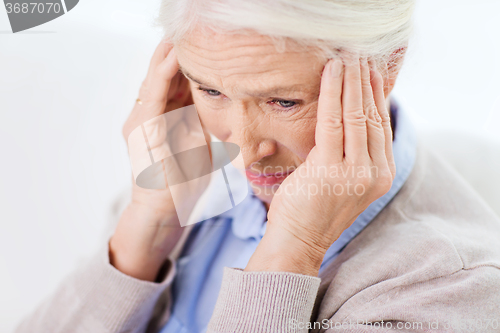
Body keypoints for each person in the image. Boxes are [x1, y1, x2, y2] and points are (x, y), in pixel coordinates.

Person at [16, 0, 500, 332]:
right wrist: (147, 223)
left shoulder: (450, 287)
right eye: (210, 90)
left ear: (386, 66)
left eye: (283, 101)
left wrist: (293, 251)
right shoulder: (182, 178)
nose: (244, 151)